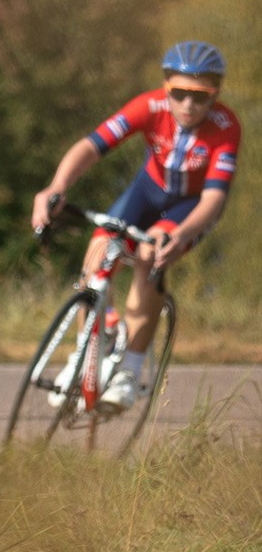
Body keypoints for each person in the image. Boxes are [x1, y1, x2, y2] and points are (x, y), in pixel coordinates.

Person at [30, 40, 238, 412]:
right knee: (98, 252)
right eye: (179, 93)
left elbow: (213, 198)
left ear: (216, 95)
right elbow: (91, 146)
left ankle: (129, 369)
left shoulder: (226, 127)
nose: (188, 105)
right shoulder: (149, 106)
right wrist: (56, 187)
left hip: (190, 207)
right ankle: (87, 352)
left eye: (200, 96)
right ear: (165, 87)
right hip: (147, 192)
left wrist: (181, 234)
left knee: (148, 255)